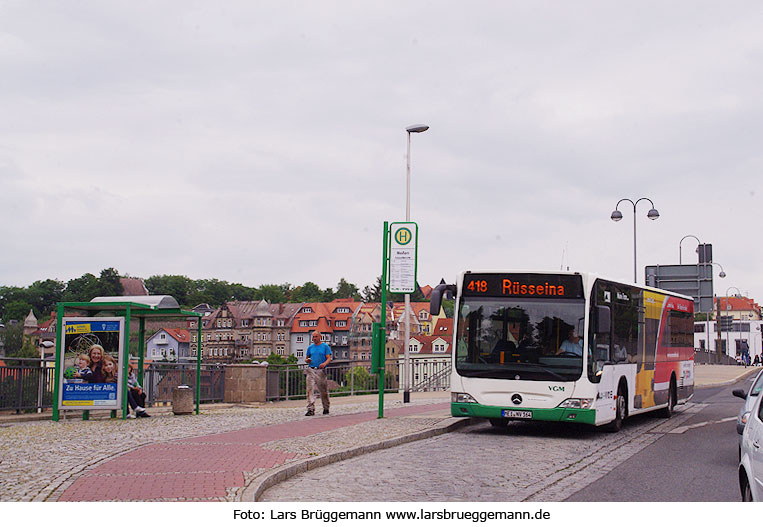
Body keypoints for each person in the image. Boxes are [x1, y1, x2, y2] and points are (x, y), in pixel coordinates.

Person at [304, 331, 332, 416]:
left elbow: (329, 358)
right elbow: (306, 358)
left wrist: (325, 363)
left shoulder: (325, 346)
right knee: (309, 389)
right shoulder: (310, 347)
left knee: (323, 390)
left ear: (320, 337)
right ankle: (310, 408)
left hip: (320, 370)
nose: (314, 338)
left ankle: (326, 407)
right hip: (311, 369)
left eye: (316, 336)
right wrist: (307, 360)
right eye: (313, 337)